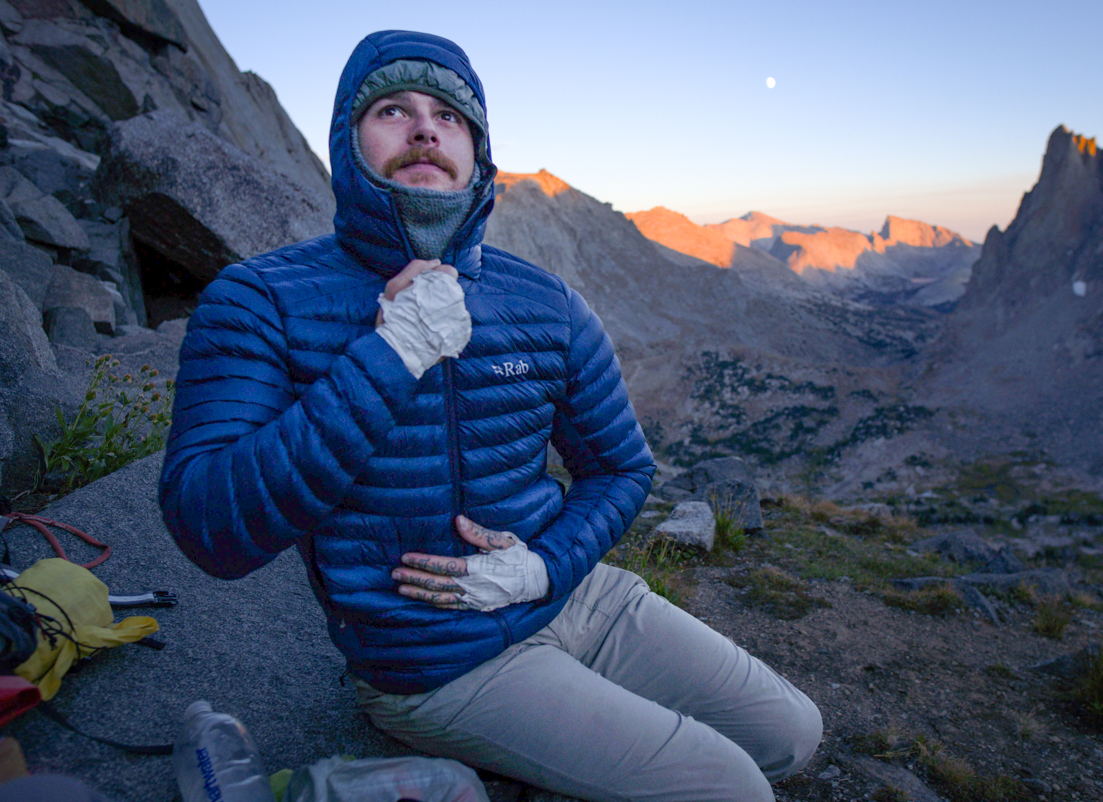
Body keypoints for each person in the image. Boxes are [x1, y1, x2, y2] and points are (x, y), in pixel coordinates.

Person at [159, 29, 821, 802]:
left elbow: (621, 467)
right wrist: (391, 353)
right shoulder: (262, 298)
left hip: (575, 594)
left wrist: (546, 564)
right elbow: (209, 525)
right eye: (391, 110)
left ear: (478, 151)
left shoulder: (543, 301)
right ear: (347, 141)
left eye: (450, 114)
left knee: (793, 736)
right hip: (437, 660)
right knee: (732, 790)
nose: (424, 128)